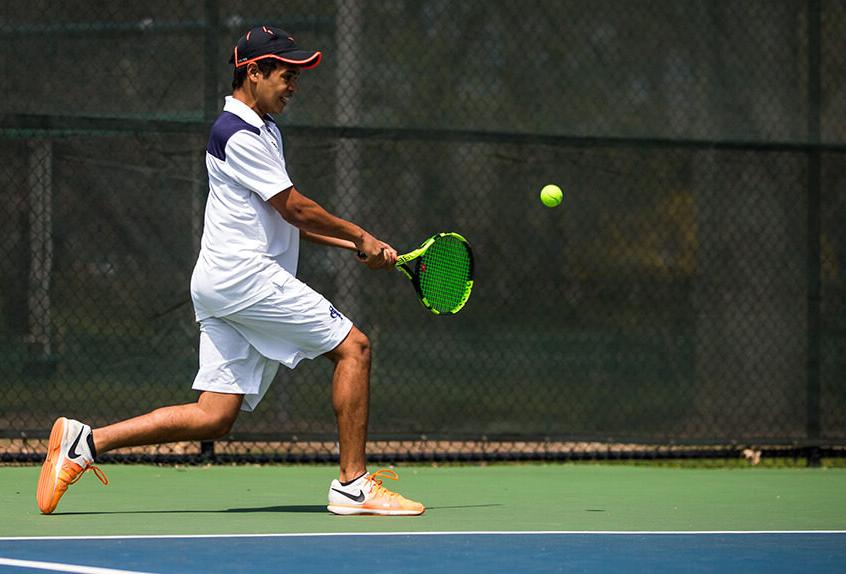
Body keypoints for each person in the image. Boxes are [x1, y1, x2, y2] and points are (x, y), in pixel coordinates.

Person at [36, 25, 425, 517]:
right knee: (355, 347)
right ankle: (353, 485)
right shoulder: (236, 133)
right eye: (286, 75)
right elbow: (296, 208)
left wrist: (356, 245)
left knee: (213, 415)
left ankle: (84, 442)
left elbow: (285, 219)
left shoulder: (265, 130)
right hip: (246, 279)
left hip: (223, 282)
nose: (294, 87)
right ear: (254, 72)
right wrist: (359, 233)